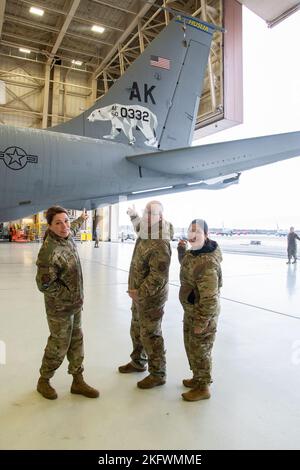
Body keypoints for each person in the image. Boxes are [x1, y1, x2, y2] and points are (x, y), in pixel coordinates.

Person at [36, 206, 99, 400]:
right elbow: (43, 284)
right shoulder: (49, 251)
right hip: (59, 308)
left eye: (66, 221)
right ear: (50, 226)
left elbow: (73, 227)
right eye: (58, 223)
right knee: (59, 344)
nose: (64, 226)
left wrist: (81, 218)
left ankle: (77, 380)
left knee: (77, 340)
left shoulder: (67, 236)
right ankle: (44, 380)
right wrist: (68, 295)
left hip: (75, 304)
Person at [118, 201, 173, 389]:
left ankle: (158, 373)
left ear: (160, 217)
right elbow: (138, 225)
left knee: (151, 334)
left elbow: (158, 277)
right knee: (136, 330)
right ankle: (138, 362)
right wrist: (133, 215)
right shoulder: (146, 231)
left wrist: (140, 293)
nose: (147, 216)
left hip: (151, 298)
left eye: (152, 213)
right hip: (138, 296)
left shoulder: (160, 242)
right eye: (146, 212)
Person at [177, 219, 222, 402]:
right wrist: (181, 252)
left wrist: (202, 321)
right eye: (190, 231)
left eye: (197, 231)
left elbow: (210, 299)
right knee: (191, 346)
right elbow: (187, 267)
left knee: (201, 349)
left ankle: (203, 387)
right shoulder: (193, 254)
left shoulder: (207, 263)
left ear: (206, 235)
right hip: (191, 310)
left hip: (203, 314)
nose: (192, 234)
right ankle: (197, 377)